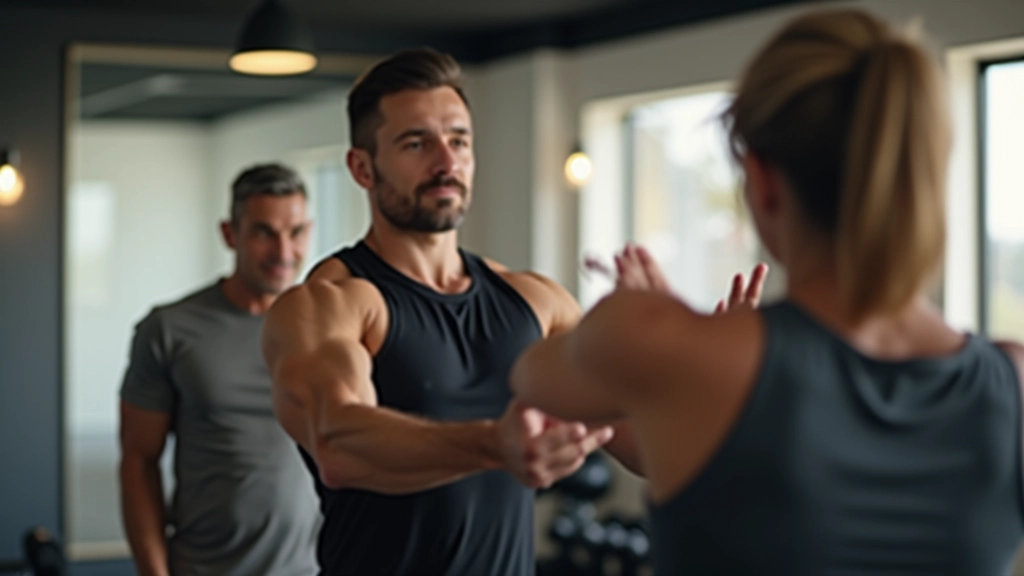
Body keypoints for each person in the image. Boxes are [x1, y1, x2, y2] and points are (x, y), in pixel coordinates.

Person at [511, 9, 1024, 576]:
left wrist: (659, 319)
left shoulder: (669, 346)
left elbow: (530, 371)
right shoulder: (1013, 384)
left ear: (762, 180)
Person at [261, 48, 618, 576]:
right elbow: (338, 443)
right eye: (417, 143)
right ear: (362, 168)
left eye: (458, 140)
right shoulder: (331, 303)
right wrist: (493, 444)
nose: (446, 163)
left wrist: (711, 350)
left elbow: (644, 433)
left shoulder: (535, 301)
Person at [118, 164, 320, 576]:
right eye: (264, 233)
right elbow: (138, 462)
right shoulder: (169, 330)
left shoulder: (331, 327)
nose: (283, 252)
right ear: (230, 234)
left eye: (296, 232)